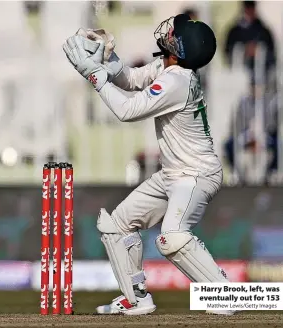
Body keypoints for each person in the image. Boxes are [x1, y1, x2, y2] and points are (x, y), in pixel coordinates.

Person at [63, 14, 235, 315]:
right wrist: (107, 58)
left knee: (172, 237)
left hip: (196, 175)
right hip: (172, 173)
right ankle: (136, 297)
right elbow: (130, 80)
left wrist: (94, 76)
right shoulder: (167, 68)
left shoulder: (177, 82)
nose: (168, 32)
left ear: (181, 48)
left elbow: (128, 110)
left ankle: (224, 298)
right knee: (116, 226)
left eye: (174, 34)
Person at [224, 1, 276, 74]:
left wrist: (258, 50)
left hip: (261, 74)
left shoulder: (263, 31)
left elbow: (271, 52)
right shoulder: (234, 31)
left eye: (251, 9)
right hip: (241, 71)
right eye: (247, 9)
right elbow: (228, 51)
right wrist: (243, 49)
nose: (249, 12)